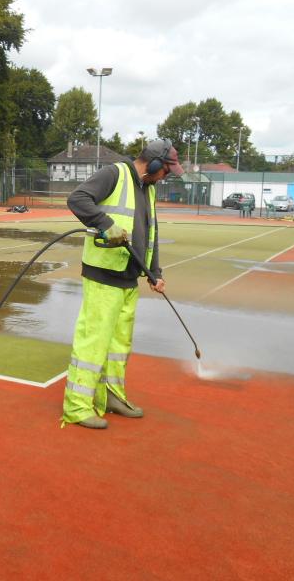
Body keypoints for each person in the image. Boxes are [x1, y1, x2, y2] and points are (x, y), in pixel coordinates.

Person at [62, 139, 184, 429]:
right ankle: (77, 407)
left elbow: (149, 233)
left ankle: (112, 396)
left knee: (119, 345)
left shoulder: (148, 188)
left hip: (129, 277)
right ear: (154, 164)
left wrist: (155, 271)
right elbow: (77, 199)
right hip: (104, 276)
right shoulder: (114, 174)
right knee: (94, 342)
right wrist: (106, 224)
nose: (166, 178)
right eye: (166, 171)